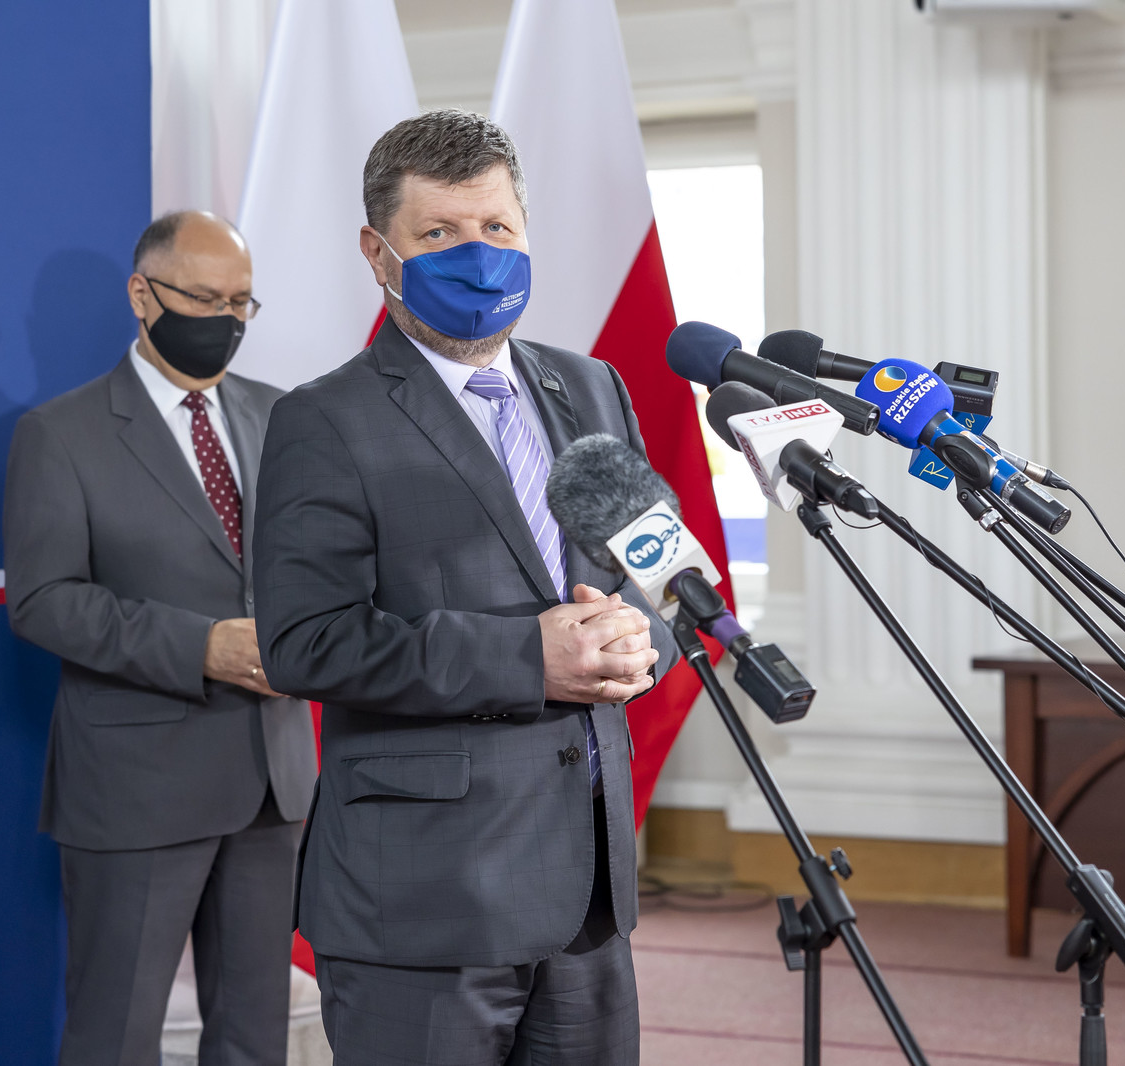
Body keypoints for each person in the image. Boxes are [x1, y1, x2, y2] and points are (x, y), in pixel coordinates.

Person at [253, 110, 680, 1065]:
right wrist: (528, 656)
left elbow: (661, 575)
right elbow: (305, 643)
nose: (477, 257)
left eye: (496, 227)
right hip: (423, 901)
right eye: (439, 233)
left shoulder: (593, 387)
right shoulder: (324, 420)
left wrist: (640, 642)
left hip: (588, 891)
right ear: (379, 254)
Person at [4, 211, 314, 1066]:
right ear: (142, 295)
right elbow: (43, 602)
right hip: (136, 787)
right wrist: (203, 646)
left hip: (273, 779)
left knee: (256, 1034)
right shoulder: (60, 434)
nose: (227, 320)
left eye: (242, 303)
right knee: (116, 1034)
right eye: (206, 299)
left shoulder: (282, 416)